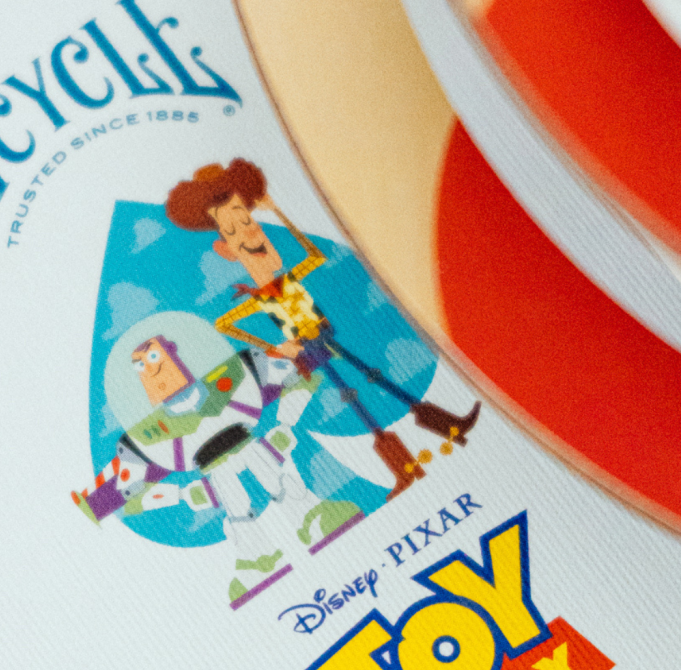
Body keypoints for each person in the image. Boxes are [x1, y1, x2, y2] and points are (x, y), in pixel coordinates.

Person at [165, 159, 481, 499]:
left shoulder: (286, 280)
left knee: (378, 382)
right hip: (310, 347)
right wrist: (276, 348)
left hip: (323, 334)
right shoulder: (259, 298)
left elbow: (314, 255)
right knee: (359, 402)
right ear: (225, 249)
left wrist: (278, 212)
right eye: (234, 229)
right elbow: (224, 323)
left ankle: (447, 428)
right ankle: (407, 466)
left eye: (249, 220)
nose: (251, 232)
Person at [73, 333, 362, 608]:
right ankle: (256, 558)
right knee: (238, 510)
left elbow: (291, 371)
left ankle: (310, 515)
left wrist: (287, 421)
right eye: (142, 365)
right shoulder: (146, 436)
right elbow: (128, 485)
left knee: (278, 481)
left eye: (154, 357)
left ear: (170, 351)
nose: (154, 370)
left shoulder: (237, 373)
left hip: (248, 444)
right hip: (214, 466)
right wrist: (174, 494)